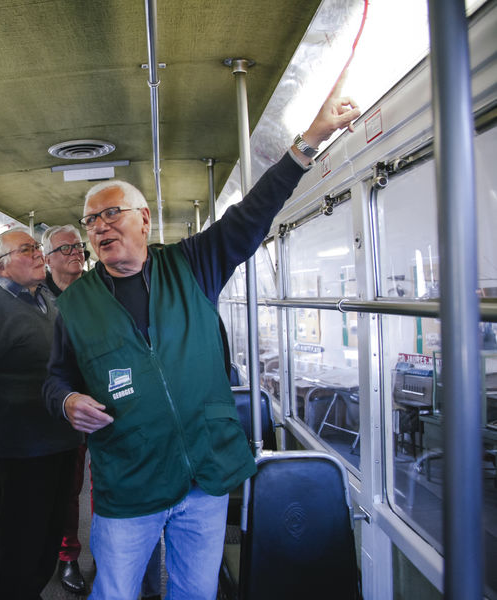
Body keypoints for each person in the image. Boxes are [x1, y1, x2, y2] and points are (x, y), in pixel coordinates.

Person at [43, 83, 360, 599]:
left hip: (204, 480)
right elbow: (55, 380)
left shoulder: (191, 264)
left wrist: (309, 142)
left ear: (144, 220)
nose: (99, 227)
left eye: (111, 214)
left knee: (195, 592)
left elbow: (251, 215)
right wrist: (67, 400)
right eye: (90, 221)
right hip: (131, 482)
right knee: (117, 593)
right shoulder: (74, 305)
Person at [0, 228, 83, 600]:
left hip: (60, 437)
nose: (38, 253)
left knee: (48, 535)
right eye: (27, 249)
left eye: (36, 247)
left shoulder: (48, 299)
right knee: (19, 542)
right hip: (18, 448)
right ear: (2, 265)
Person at [41, 224, 89, 594]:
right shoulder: (37, 299)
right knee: (68, 489)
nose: (76, 251)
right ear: (48, 258)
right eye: (66, 247)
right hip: (61, 410)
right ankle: (67, 556)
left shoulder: (100, 290)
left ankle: (110, 550)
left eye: (79, 245)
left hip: (106, 405)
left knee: (109, 484)